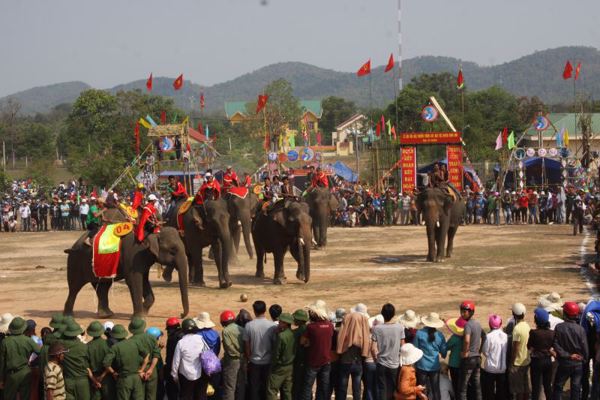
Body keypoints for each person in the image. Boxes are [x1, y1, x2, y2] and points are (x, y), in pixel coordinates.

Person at [552, 301, 588, 400]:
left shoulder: (559, 327)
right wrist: (583, 360)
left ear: (565, 313)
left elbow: (555, 344)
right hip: (577, 364)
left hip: (564, 363)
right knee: (576, 388)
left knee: (558, 386)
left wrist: (567, 355)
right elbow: (585, 347)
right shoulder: (580, 329)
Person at [102, 324, 149, 400]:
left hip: (124, 379)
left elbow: (106, 363)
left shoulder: (115, 347)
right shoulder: (135, 342)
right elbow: (146, 356)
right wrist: (141, 370)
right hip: (136, 378)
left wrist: (113, 372)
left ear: (114, 336)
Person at [300, 301, 334, 400]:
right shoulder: (330, 326)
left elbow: (302, 342)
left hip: (313, 362)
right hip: (326, 361)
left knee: (307, 387)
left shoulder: (311, 327)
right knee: (323, 388)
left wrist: (309, 343)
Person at [0, 317, 40, 400]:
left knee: (9, 397)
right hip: (25, 373)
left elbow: (2, 363)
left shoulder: (5, 342)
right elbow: (40, 352)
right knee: (25, 397)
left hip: (11, 375)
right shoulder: (28, 340)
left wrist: (1, 379)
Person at [372, 303, 406, 400]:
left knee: (382, 389)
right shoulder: (400, 327)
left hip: (381, 363)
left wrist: (376, 360)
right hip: (394, 364)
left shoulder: (377, 328)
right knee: (395, 388)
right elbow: (403, 346)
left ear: (382, 314)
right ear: (393, 314)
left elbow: (373, 348)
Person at [335, 308, 371, 400]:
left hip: (345, 363)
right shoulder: (362, 336)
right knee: (357, 389)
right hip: (357, 363)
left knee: (342, 388)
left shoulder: (342, 332)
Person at [244, 300, 275, 400]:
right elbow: (275, 344)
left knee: (254, 388)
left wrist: (249, 358)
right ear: (265, 310)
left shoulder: (249, 325)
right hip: (268, 361)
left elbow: (247, 345)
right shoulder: (272, 325)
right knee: (267, 387)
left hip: (254, 361)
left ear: (254, 311)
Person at [171, 319, 208, 400]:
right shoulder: (201, 339)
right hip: (200, 374)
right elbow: (208, 355)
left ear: (183, 330)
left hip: (185, 375)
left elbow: (176, 361)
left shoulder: (181, 342)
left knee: (185, 396)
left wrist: (174, 375)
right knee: (200, 396)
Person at [60, 320, 97, 400]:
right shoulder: (84, 347)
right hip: (82, 382)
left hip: (67, 380)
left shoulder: (61, 346)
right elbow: (88, 365)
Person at [414, 313, 447, 400]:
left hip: (421, 365)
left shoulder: (419, 333)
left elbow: (415, 349)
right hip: (434, 366)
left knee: (421, 390)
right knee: (435, 390)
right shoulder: (440, 335)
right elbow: (444, 352)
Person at [128, 318, 160, 400]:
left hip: (137, 371)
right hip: (152, 370)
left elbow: (131, 359)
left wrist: (140, 371)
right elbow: (156, 355)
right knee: (151, 396)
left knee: (138, 396)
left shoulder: (130, 341)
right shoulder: (152, 338)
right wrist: (151, 369)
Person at [267, 313, 296, 400]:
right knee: (287, 390)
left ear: (285, 323)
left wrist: (273, 366)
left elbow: (276, 354)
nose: (279, 323)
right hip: (290, 366)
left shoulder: (281, 336)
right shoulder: (293, 333)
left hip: (280, 367)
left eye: (280, 322)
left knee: (271, 390)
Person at [527, 308, 554, 400]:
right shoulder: (552, 333)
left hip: (536, 362)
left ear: (536, 320)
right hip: (548, 361)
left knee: (536, 387)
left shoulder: (534, 333)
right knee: (547, 386)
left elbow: (529, 346)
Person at [459, 300, 483, 400]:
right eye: (462, 311)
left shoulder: (467, 325)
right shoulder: (478, 323)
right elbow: (484, 337)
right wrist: (480, 351)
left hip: (469, 359)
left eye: (465, 312)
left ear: (471, 312)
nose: (462, 313)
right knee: (477, 386)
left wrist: (465, 353)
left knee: (463, 389)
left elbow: (467, 340)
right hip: (477, 358)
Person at [481, 314, 507, 400]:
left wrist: (490, 357)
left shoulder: (489, 336)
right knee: (501, 391)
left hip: (490, 368)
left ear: (489, 324)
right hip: (502, 368)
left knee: (489, 391)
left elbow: (485, 351)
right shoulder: (505, 336)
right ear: (500, 324)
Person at [86, 321, 115, 400]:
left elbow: (86, 366)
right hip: (107, 378)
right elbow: (110, 363)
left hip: (93, 378)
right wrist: (102, 376)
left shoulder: (87, 346)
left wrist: (94, 380)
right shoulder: (108, 344)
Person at [220, 310, 245, 400]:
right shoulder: (241, 328)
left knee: (230, 386)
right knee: (240, 384)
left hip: (232, 361)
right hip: (243, 360)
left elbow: (229, 347)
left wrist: (237, 354)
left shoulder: (226, 331)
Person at [508, 303, 530, 400]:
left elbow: (515, 348)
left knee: (518, 389)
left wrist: (512, 362)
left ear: (514, 314)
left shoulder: (516, 329)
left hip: (518, 362)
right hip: (526, 360)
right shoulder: (527, 326)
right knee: (526, 386)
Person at [444, 317, 465, 398]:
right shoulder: (468, 336)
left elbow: (446, 346)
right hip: (464, 363)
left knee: (455, 383)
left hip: (454, 364)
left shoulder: (454, 338)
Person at [292, 309, 309, 400]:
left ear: (299, 320)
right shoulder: (310, 329)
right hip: (308, 361)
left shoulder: (295, 333)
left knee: (297, 385)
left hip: (298, 361)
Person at [164, 317, 183, 400]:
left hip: (173, 365)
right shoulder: (183, 334)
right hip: (184, 366)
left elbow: (170, 354)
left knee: (171, 388)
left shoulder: (172, 338)